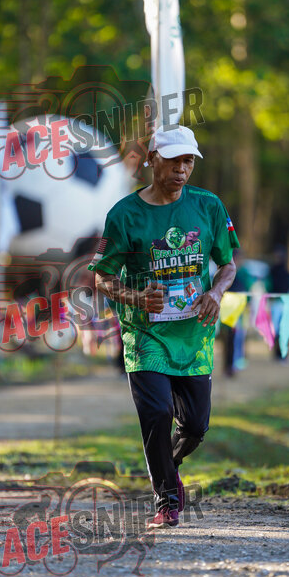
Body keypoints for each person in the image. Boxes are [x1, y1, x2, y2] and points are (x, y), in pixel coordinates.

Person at [89, 124, 239, 528]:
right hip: (146, 335)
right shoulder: (124, 215)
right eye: (173, 161)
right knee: (156, 412)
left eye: (188, 161)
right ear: (153, 159)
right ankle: (166, 500)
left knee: (195, 426)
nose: (181, 169)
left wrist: (216, 292)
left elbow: (228, 265)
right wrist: (137, 298)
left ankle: (166, 466)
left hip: (194, 335)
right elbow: (102, 277)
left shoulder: (208, 206)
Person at [266, 245, 289, 360]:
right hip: (275, 303)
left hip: (285, 303)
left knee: (285, 329)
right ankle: (277, 353)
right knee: (276, 330)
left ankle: (284, 353)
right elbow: (268, 286)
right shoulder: (272, 272)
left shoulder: (286, 272)